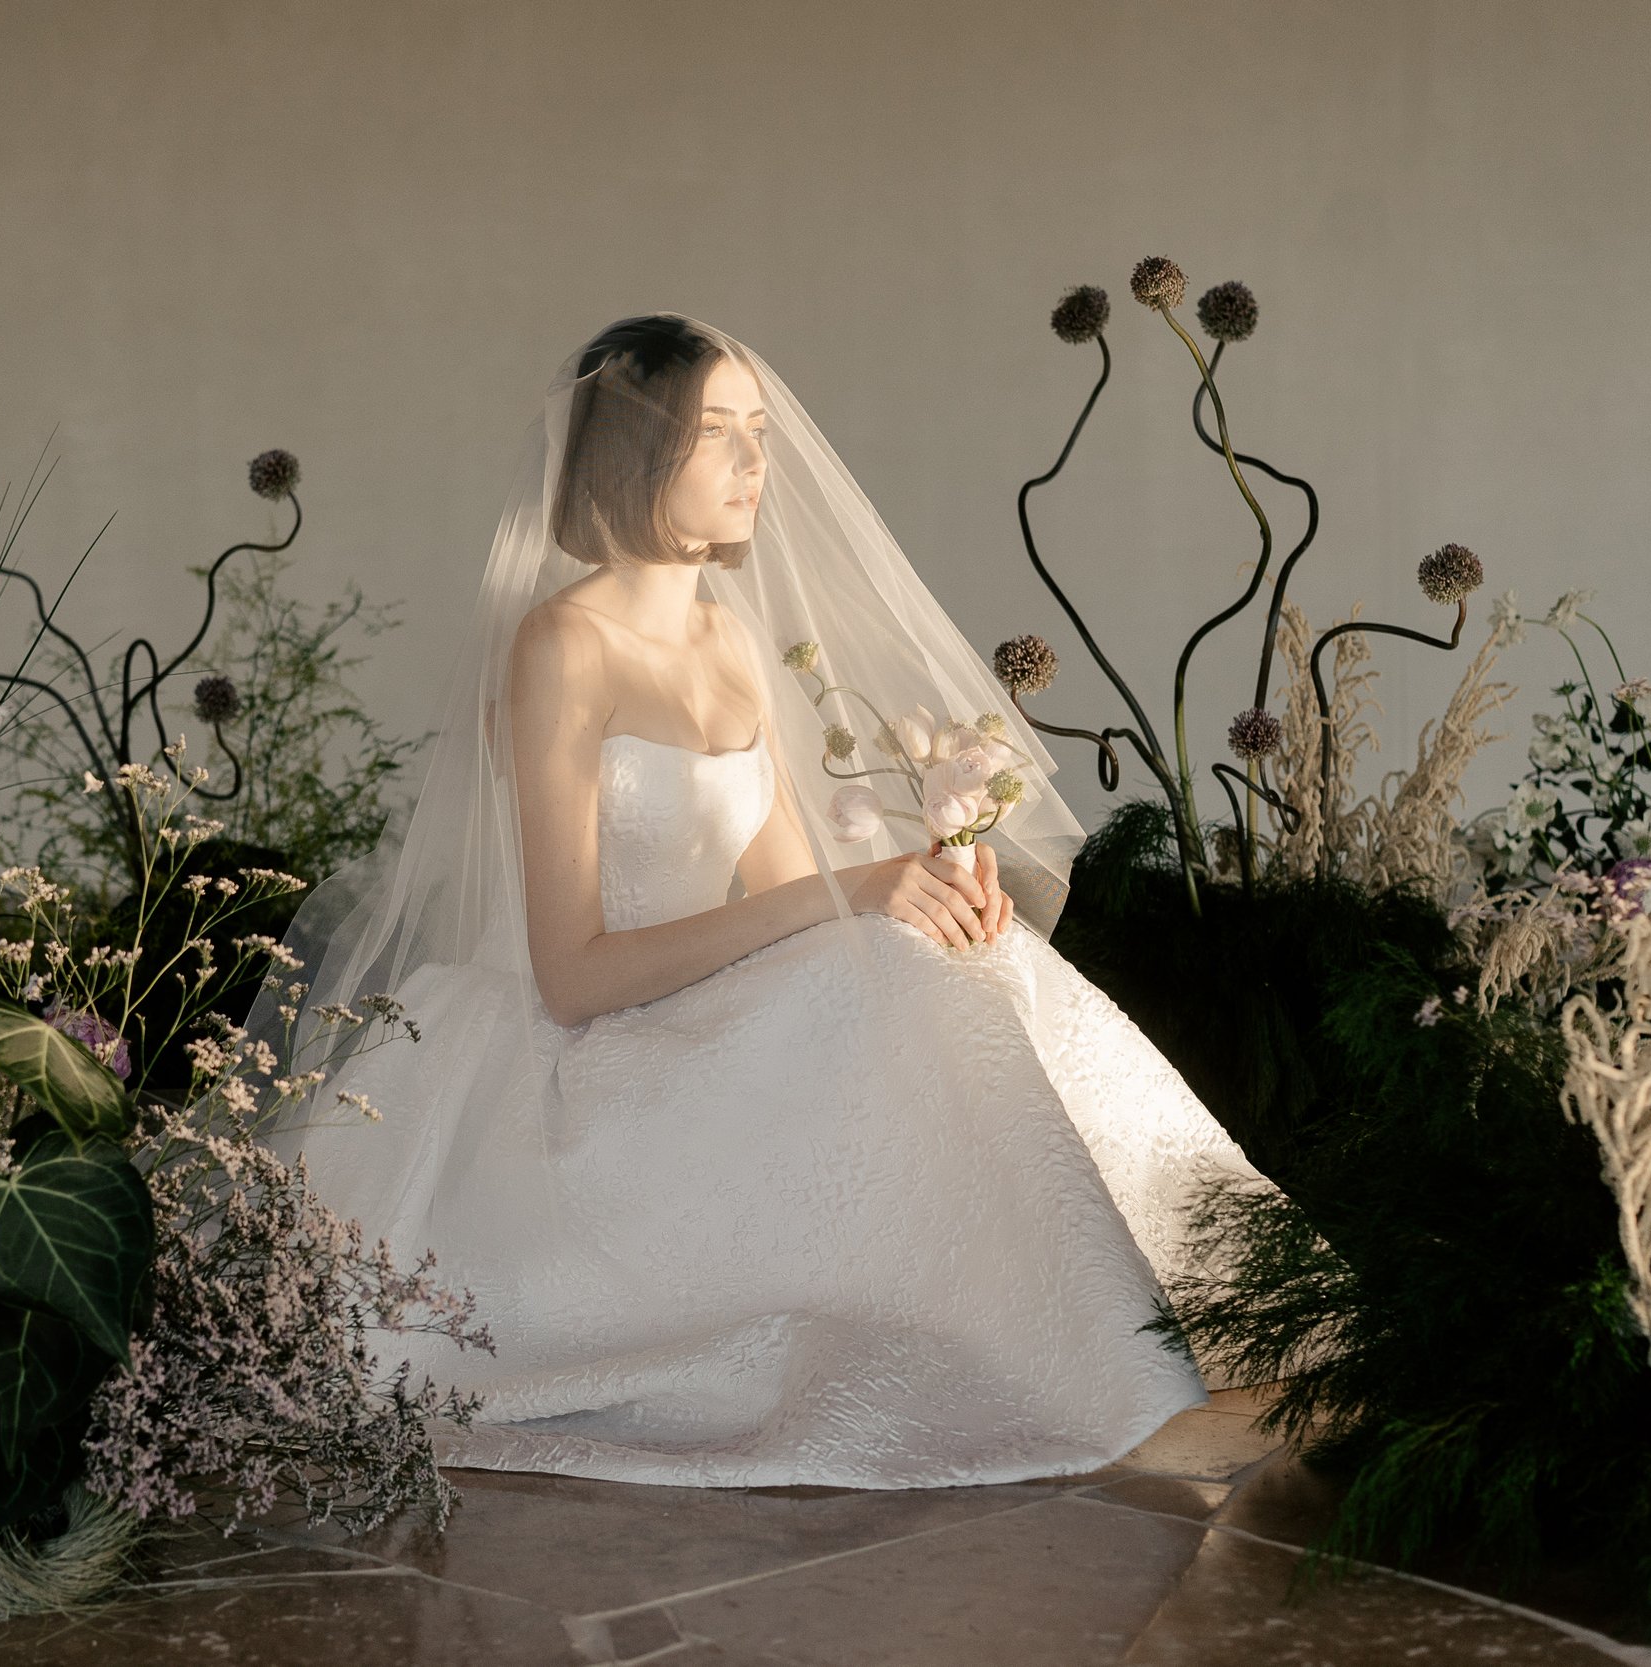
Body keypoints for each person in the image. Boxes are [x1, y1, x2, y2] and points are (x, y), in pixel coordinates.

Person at [268, 314, 1259, 1488]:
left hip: (702, 1003)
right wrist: (857, 899)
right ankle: (1069, 1350)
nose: (756, 464)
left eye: (761, 434)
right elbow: (572, 973)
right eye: (718, 435)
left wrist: (923, 885)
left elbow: (793, 891)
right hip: (576, 1047)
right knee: (891, 965)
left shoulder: (727, 638)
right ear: (634, 456)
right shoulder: (560, 646)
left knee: (969, 965)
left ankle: (1199, 1291)